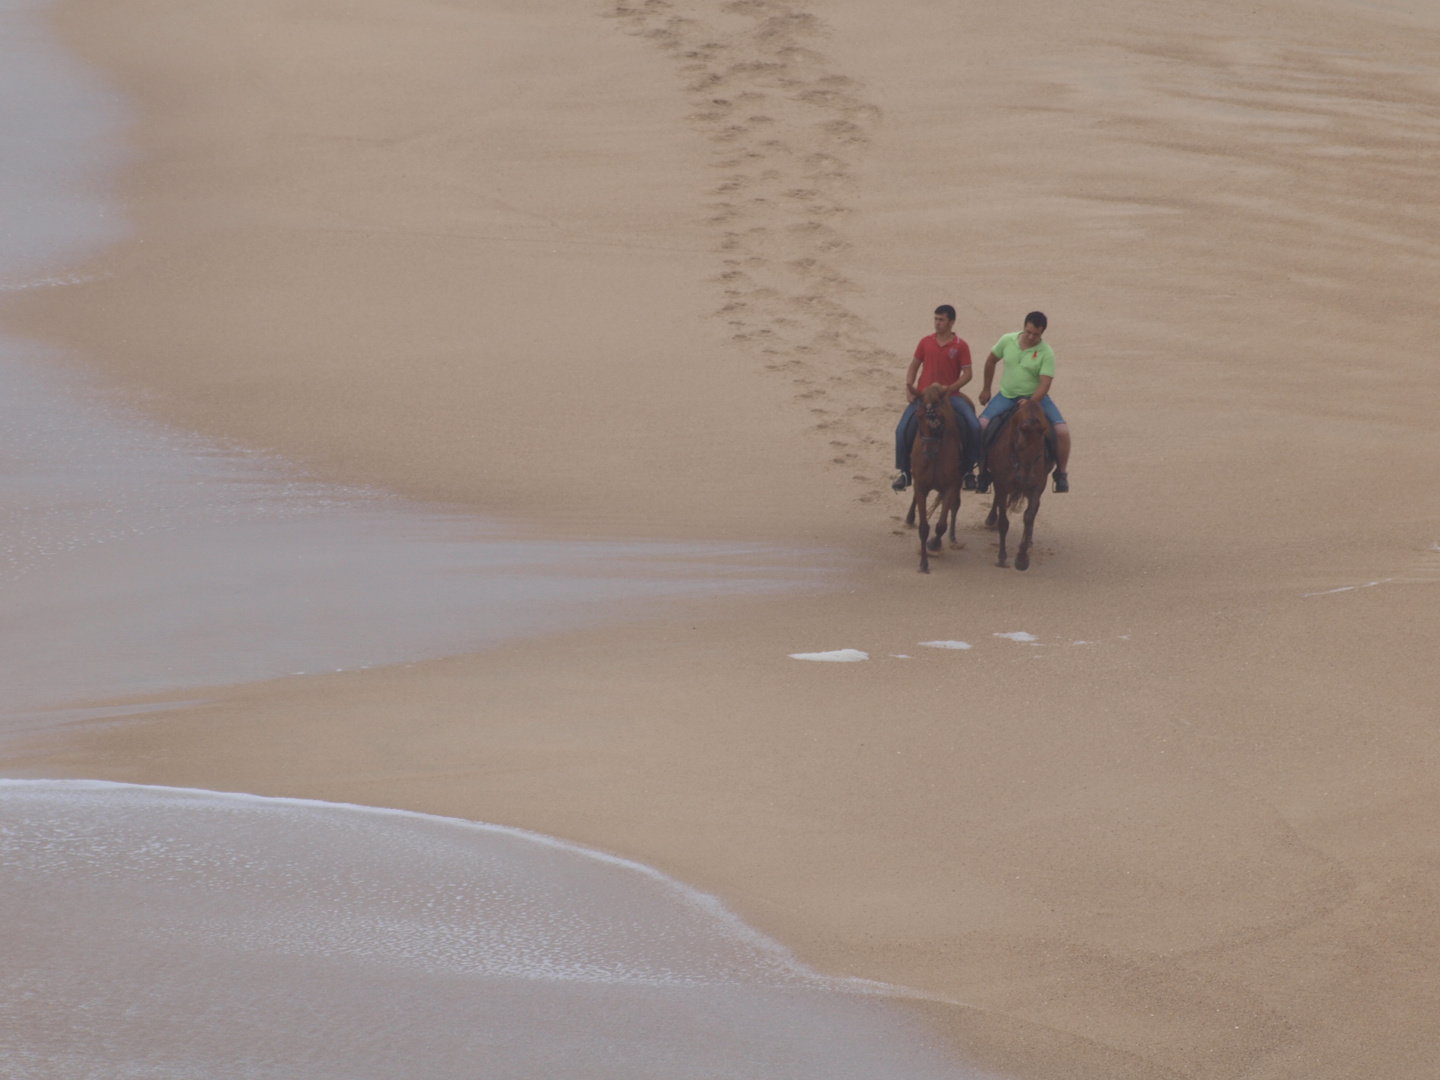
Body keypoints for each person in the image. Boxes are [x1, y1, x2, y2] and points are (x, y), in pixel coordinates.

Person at [976, 311, 1071, 493]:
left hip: (1035, 399)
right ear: (1024, 327)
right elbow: (990, 361)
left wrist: (1030, 402)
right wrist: (986, 388)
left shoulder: (1046, 353)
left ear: (1042, 333)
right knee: (981, 426)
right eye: (1028, 332)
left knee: (1062, 430)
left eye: (1036, 334)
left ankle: (1061, 473)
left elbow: (1045, 384)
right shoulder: (1007, 340)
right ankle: (983, 472)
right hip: (1006, 396)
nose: (1030, 337)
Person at [891, 305, 982, 492]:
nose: (937, 323)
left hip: (950, 397)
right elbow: (914, 366)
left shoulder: (960, 345)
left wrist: (950, 389)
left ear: (951, 322)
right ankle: (904, 472)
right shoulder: (926, 342)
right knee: (901, 430)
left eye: (941, 320)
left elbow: (968, 374)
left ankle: (968, 472)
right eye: (936, 319)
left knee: (974, 426)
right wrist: (909, 388)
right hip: (924, 396)